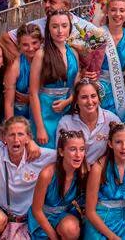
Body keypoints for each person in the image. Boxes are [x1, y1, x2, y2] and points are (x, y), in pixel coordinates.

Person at [0, 117, 55, 237]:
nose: (16, 139)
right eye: (11, 135)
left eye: (21, 134)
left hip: (29, 216)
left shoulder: (39, 155)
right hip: (3, 211)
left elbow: (65, 155)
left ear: (28, 137)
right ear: (4, 137)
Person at [82, 122, 125, 240]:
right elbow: (90, 211)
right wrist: (113, 237)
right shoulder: (98, 168)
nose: (124, 147)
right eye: (118, 142)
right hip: (101, 219)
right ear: (110, 144)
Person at [30, 12, 81, 148]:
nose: (60, 31)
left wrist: (68, 101)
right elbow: (33, 93)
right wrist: (40, 127)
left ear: (70, 28)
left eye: (64, 26)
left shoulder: (74, 53)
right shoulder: (41, 54)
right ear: (48, 29)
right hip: (45, 111)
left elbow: (76, 86)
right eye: (55, 26)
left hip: (67, 109)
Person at [30, 129, 87, 240]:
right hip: (43, 217)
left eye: (82, 149)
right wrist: (53, 237)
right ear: (61, 152)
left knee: (71, 229)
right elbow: (36, 210)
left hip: (65, 216)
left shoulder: (83, 172)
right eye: (72, 149)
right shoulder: (47, 174)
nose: (78, 155)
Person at [57, 79, 122, 165]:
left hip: (101, 172)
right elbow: (60, 156)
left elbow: (121, 150)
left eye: (93, 96)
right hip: (74, 171)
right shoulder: (65, 123)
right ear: (76, 100)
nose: (90, 101)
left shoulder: (112, 119)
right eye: (84, 97)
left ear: (99, 98)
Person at [96, 0, 125, 115]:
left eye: (122, 10)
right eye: (113, 10)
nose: (117, 14)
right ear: (107, 12)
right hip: (98, 89)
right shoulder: (97, 35)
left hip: (119, 90)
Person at [5, 23, 43, 120]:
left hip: (44, 114)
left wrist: (29, 98)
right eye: (25, 45)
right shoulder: (15, 65)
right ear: (19, 45)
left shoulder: (48, 61)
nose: (31, 48)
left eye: (34, 43)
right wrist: (11, 127)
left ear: (41, 42)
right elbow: (9, 103)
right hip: (21, 117)